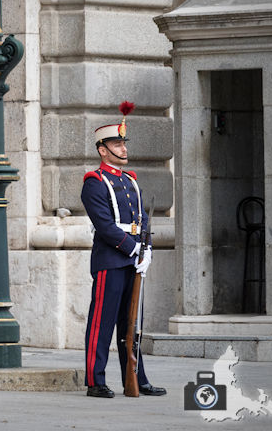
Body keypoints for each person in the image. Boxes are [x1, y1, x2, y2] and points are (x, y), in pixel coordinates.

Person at [80, 101, 166, 398]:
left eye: (124, 143)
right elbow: (105, 226)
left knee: (132, 325)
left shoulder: (130, 182)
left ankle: (137, 378)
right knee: (102, 323)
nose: (124, 148)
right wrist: (133, 250)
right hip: (111, 260)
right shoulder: (95, 182)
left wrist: (148, 249)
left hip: (134, 260)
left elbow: (142, 220)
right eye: (117, 144)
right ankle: (95, 380)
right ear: (102, 149)